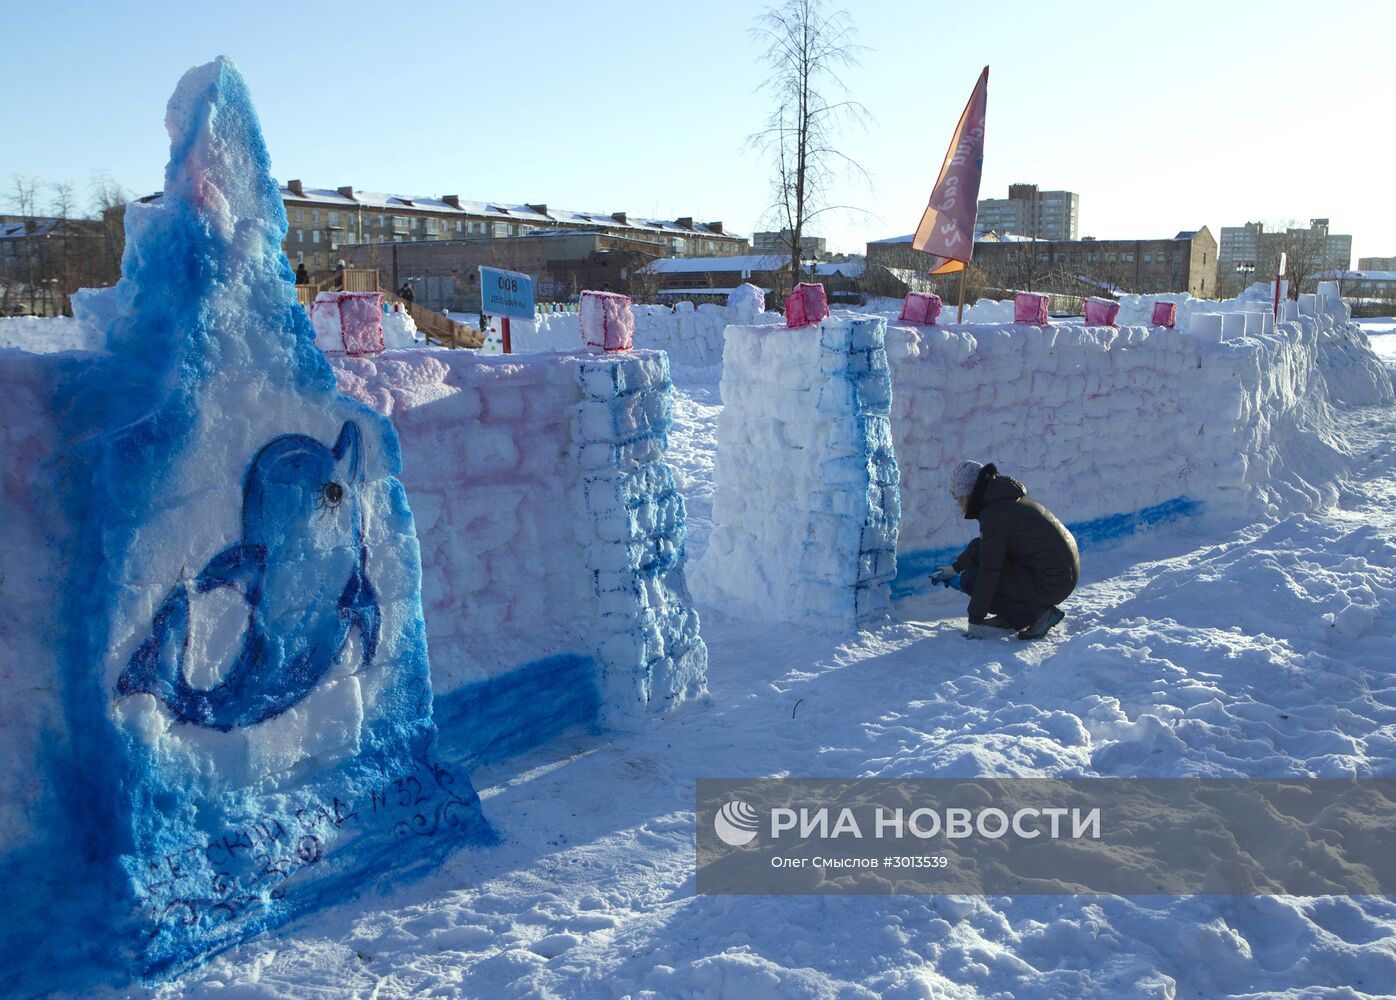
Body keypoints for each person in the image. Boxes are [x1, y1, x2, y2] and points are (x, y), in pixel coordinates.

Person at [929, 460, 1079, 640]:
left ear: (969, 494)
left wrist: (975, 621)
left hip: (1052, 582)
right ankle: (1014, 615)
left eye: (959, 498)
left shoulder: (996, 515)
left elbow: (989, 571)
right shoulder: (1002, 501)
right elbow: (983, 549)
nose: (958, 504)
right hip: (1059, 574)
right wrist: (954, 568)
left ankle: (1038, 613)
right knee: (980, 550)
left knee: (972, 579)